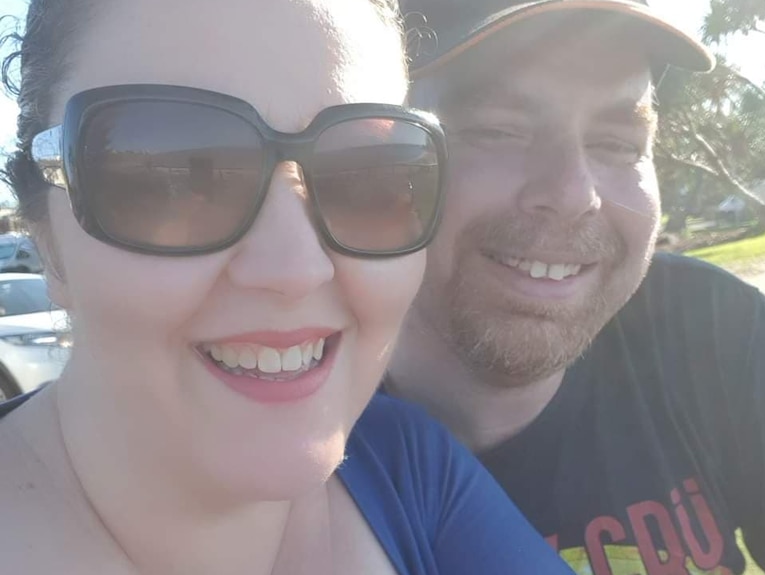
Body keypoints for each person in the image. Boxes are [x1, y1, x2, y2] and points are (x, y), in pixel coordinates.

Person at [0, 1, 574, 573]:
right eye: (172, 182)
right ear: (46, 236)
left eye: (371, 176)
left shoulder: (408, 465)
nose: (296, 269)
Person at [386, 0, 765, 573]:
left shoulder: (705, 326)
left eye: (616, 144)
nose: (573, 194)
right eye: (498, 130)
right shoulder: (305, 440)